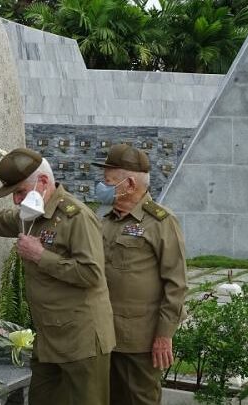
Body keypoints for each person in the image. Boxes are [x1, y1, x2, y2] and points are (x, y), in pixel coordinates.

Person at [0, 148, 115, 405]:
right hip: (49, 338)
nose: (16, 201)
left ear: (43, 182)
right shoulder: (32, 214)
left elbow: (91, 274)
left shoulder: (77, 217)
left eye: (19, 192)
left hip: (82, 341)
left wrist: (41, 255)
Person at [92, 144, 188, 405]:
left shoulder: (161, 223)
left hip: (140, 341)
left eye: (108, 181)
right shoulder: (105, 221)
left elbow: (176, 285)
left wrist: (164, 336)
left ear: (130, 183)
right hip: (103, 336)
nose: (102, 186)